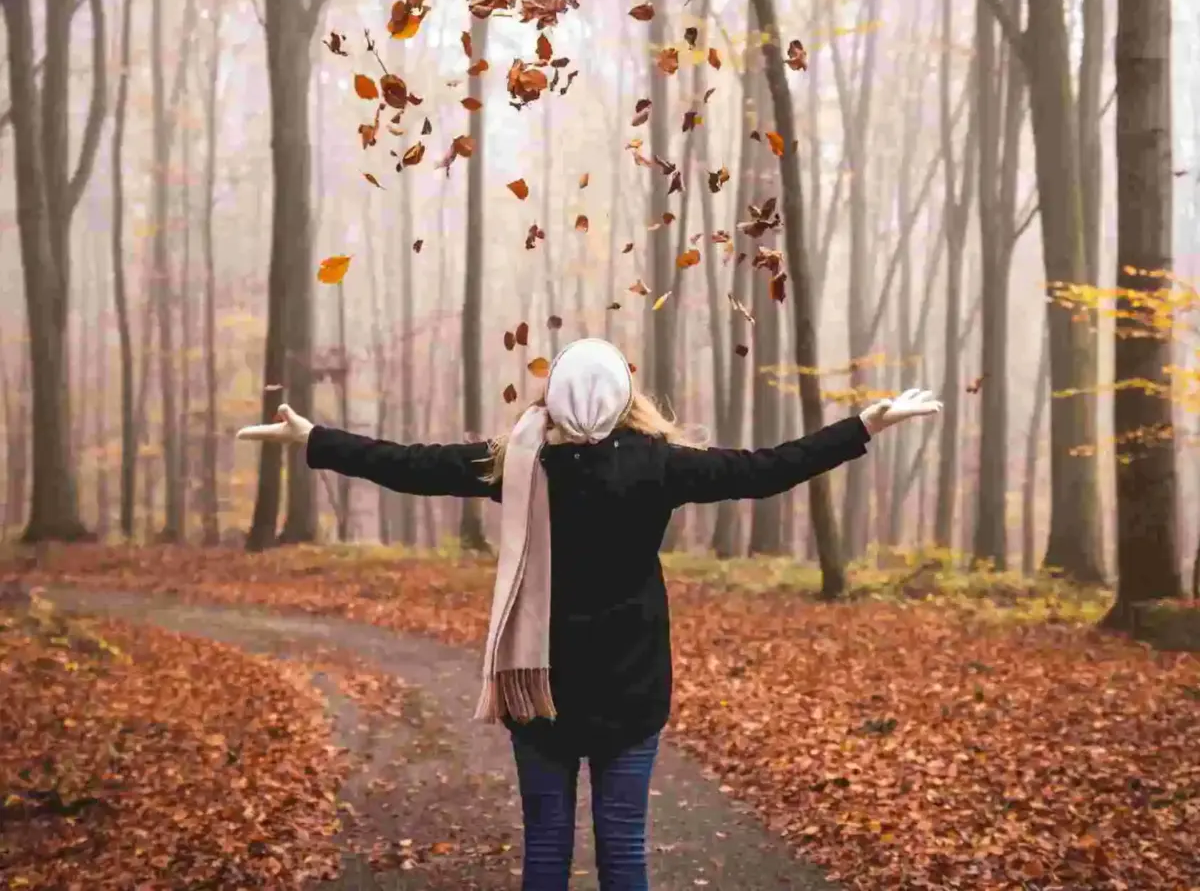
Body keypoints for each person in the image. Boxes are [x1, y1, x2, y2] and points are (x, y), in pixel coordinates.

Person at [236, 337, 942, 891]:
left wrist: (314, 438)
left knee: (545, 847)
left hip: (536, 686)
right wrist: (863, 424)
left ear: (554, 396)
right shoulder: (661, 464)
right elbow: (768, 468)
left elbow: (410, 464)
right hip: (633, 689)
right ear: (626, 399)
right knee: (623, 849)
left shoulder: (517, 461)